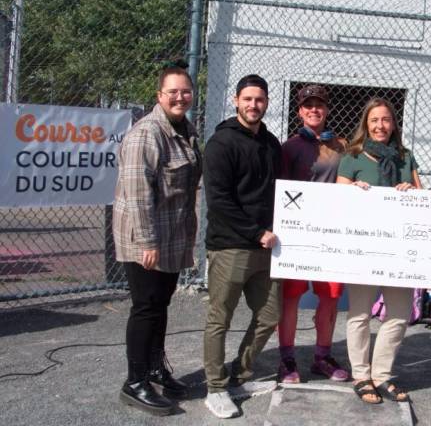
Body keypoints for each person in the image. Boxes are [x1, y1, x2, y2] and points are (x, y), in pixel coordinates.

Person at [113, 61, 202, 416]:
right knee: (146, 308)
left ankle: (154, 369)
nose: (180, 97)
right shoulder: (147, 134)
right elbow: (137, 193)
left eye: (185, 91)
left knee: (161, 306)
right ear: (159, 96)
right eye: (173, 92)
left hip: (172, 235)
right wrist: (148, 242)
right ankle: (134, 382)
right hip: (146, 239)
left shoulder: (185, 129)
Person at [202, 74, 282, 419]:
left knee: (269, 316)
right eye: (247, 99)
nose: (254, 105)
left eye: (260, 100)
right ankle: (215, 388)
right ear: (236, 101)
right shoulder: (221, 143)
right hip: (231, 246)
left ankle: (240, 376)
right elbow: (218, 200)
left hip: (267, 248)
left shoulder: (271, 143)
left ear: (266, 103)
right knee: (220, 318)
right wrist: (255, 232)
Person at [336, 97, 421, 404]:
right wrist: (351, 191)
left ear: (393, 123)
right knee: (359, 314)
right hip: (363, 249)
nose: (380, 125)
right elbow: (337, 199)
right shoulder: (353, 157)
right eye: (374, 120)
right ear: (366, 124)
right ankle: (361, 375)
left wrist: (411, 192)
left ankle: (382, 374)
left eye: (385, 119)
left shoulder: (405, 157)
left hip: (398, 251)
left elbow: (422, 198)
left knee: (398, 314)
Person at [277, 84, 349, 383]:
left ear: (327, 109)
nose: (314, 109)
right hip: (296, 236)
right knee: (291, 297)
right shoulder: (289, 147)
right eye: (308, 105)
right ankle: (287, 359)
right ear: (300, 112)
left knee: (330, 297)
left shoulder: (342, 146)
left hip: (331, 235)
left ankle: (322, 356)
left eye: (319, 104)